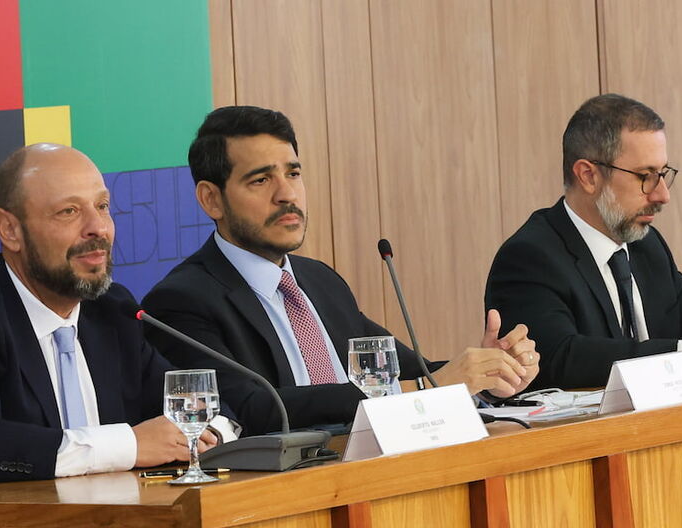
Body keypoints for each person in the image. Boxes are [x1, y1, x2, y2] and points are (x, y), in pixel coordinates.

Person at [142, 106, 539, 435]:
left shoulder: (319, 281)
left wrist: (487, 374)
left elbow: (408, 372)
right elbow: (252, 410)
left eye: (293, 174)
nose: (287, 194)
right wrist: (428, 387)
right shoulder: (182, 301)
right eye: (261, 180)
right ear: (212, 200)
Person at [0, 144, 218, 488]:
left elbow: (202, 412)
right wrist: (128, 445)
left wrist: (208, 433)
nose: (98, 229)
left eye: (103, 207)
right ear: (10, 230)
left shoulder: (111, 311)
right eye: (69, 211)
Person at [484, 94, 682, 389]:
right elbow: (562, 359)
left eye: (663, 174)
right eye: (645, 176)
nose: (662, 195)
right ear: (588, 176)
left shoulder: (645, 245)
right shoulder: (530, 257)